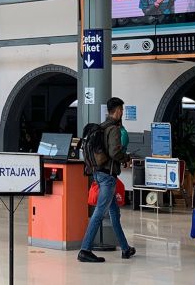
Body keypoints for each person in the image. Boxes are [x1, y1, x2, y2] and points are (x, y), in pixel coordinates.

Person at [78, 97, 135, 263]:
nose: (122, 113)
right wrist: (126, 158)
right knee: (99, 213)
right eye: (122, 110)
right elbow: (114, 153)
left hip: (98, 172)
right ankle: (85, 250)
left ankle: (125, 249)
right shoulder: (114, 129)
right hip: (108, 177)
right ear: (117, 111)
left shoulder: (102, 127)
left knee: (114, 215)